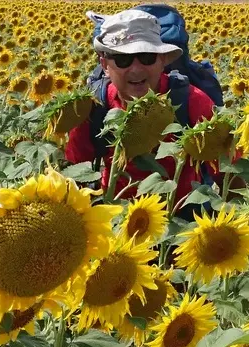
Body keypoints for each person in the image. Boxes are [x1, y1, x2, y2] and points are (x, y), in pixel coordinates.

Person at [65, 8, 216, 208]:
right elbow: (76, 170)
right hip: (115, 215)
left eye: (146, 57)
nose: (136, 69)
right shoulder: (94, 107)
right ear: (105, 65)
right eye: (122, 59)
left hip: (180, 220)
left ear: (162, 60)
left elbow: (229, 169)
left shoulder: (192, 102)